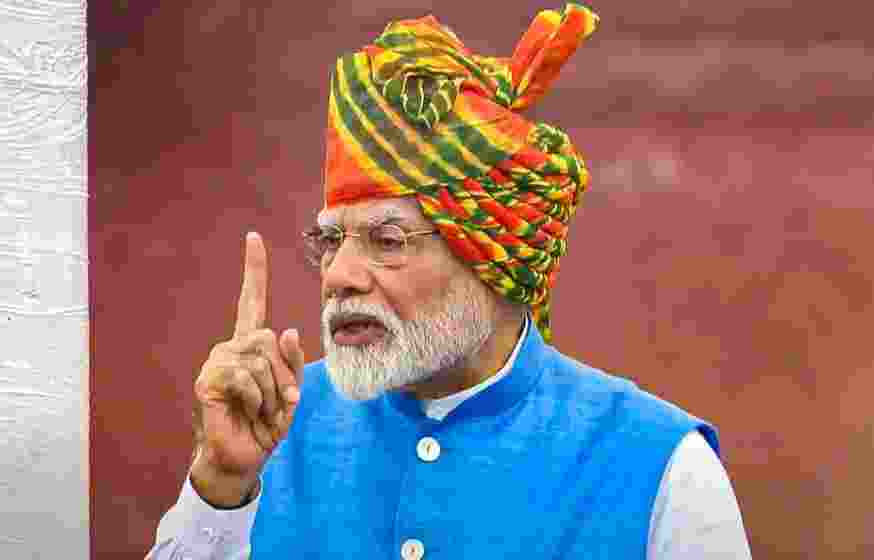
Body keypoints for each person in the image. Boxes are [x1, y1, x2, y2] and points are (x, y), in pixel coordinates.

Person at [148, 4, 751, 558]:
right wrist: (219, 490)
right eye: (331, 240)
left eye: (386, 241)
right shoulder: (269, 434)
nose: (339, 275)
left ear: (491, 258)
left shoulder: (657, 466)